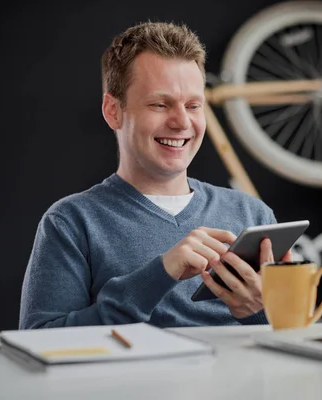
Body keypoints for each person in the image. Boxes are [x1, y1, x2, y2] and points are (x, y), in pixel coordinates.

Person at [19, 21, 292, 329]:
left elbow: (301, 346)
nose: (181, 122)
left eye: (193, 105)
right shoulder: (71, 221)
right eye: (160, 104)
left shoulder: (252, 214)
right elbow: (38, 339)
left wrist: (260, 309)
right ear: (113, 111)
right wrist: (161, 273)